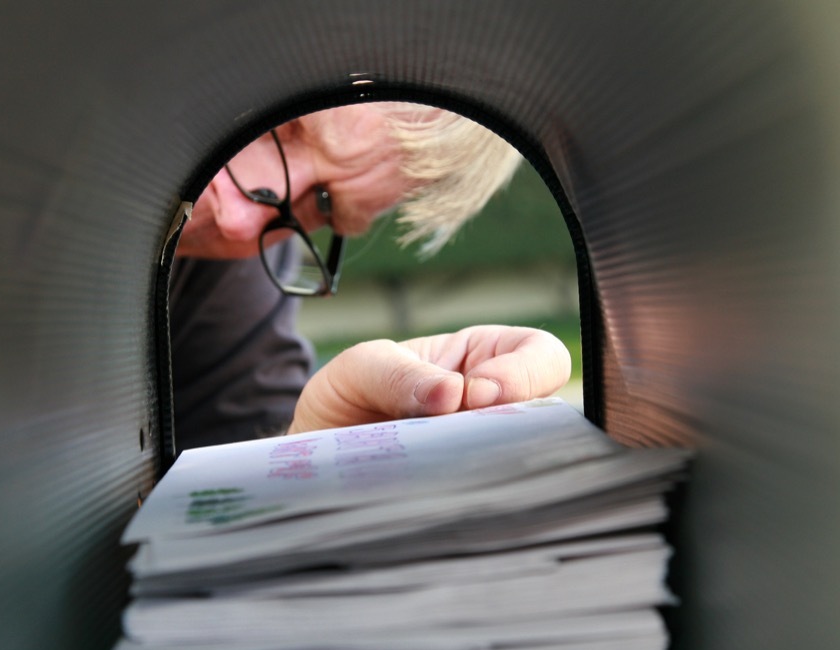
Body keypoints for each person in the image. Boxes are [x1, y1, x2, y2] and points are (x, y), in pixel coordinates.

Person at [169, 102, 572, 447]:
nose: (238, 221)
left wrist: (321, 443)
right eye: (278, 128)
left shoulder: (243, 266)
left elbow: (225, 466)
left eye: (323, 205)